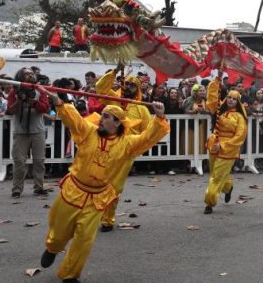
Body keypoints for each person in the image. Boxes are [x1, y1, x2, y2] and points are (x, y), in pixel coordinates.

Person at [39, 87, 169, 283]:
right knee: (58, 233)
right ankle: (52, 248)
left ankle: (70, 274)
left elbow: (147, 138)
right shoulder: (88, 132)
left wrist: (159, 118)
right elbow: (73, 119)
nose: (101, 118)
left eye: (106, 116)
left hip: (97, 198)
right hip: (74, 190)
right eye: (102, 115)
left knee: (85, 238)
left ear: (117, 122)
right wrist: (58, 102)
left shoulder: (127, 144)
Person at [94, 64, 151, 231]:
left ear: (138, 89)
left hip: (125, 152)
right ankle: (92, 212)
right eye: (127, 84)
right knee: (97, 181)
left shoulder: (141, 109)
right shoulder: (113, 100)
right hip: (105, 147)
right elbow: (100, 88)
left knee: (115, 186)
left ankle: (107, 219)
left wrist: (135, 149)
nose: (129, 87)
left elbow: (146, 134)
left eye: (133, 85)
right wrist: (116, 71)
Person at [204, 77, 248, 214]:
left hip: (227, 150)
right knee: (214, 173)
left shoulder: (239, 117)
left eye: (234, 99)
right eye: (229, 97)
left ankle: (209, 202)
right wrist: (215, 83)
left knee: (216, 176)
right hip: (214, 145)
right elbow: (211, 100)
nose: (230, 100)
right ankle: (228, 187)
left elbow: (240, 136)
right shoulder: (218, 110)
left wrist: (223, 145)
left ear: (238, 102)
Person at [7, 68, 50, 198]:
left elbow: (45, 108)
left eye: (32, 73)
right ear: (20, 76)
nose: (30, 75)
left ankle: (39, 187)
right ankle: (17, 189)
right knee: (19, 161)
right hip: (20, 132)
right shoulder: (14, 91)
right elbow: (10, 111)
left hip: (37, 130)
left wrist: (34, 102)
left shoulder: (40, 90)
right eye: (27, 73)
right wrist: (19, 101)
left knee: (39, 161)